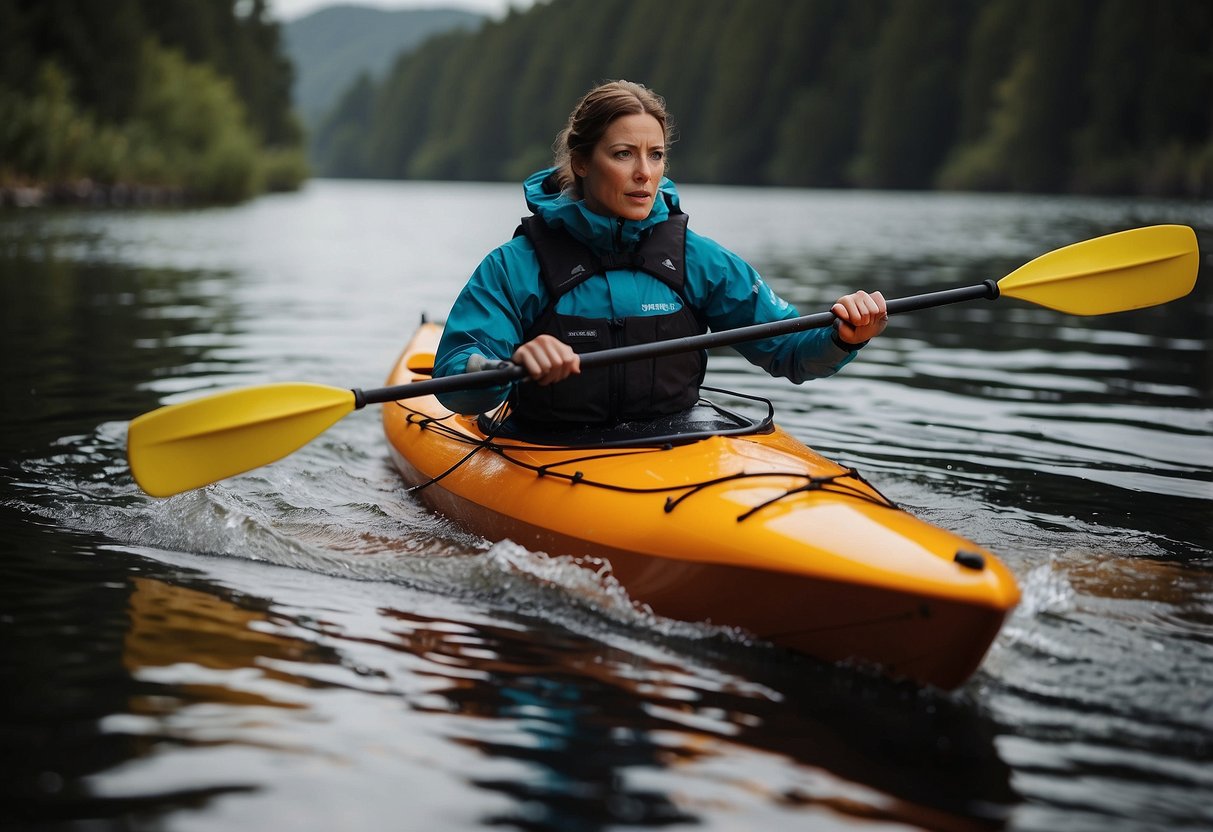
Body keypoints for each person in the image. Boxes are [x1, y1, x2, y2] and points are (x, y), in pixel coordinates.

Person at [433, 80, 887, 428]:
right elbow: (456, 374)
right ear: (583, 163)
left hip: (674, 446)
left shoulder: (700, 261)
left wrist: (845, 335)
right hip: (547, 446)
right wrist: (510, 365)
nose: (643, 173)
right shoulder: (515, 266)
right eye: (624, 154)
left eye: (655, 155)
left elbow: (788, 349)